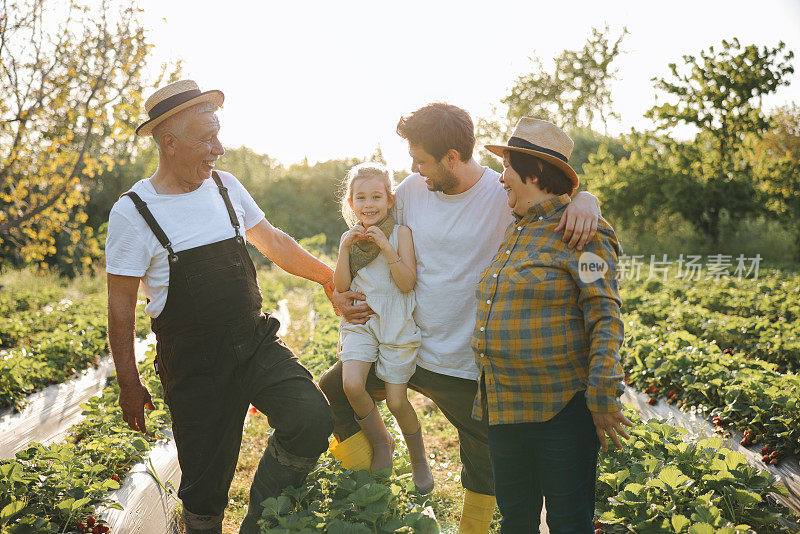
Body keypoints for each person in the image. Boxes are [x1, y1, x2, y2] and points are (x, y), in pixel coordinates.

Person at [320, 103, 603, 533]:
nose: (414, 168)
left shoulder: (502, 194)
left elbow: (554, 203)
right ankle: (374, 487)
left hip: (465, 363)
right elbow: (365, 227)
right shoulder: (413, 191)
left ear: (452, 157)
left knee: (483, 463)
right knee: (332, 393)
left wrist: (586, 199)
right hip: (404, 341)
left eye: (422, 159)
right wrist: (341, 297)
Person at [105, 79, 335, 534]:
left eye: (218, 134)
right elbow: (120, 311)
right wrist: (129, 384)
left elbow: (275, 244)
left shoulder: (225, 187)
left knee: (310, 416)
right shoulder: (133, 212)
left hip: (254, 340)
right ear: (168, 143)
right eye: (206, 138)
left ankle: (259, 521)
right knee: (206, 488)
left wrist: (329, 279)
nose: (220, 148)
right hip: (195, 364)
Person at [475, 117, 631, 533]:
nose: (501, 177)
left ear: (533, 171)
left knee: (567, 522)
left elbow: (605, 316)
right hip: (504, 407)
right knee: (516, 521)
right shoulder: (517, 231)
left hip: (561, 409)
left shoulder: (585, 233)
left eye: (506, 166)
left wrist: (601, 394)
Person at [333, 162, 433, 494]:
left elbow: (406, 284)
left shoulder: (399, 233)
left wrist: (387, 246)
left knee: (397, 401)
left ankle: (418, 458)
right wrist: (345, 248)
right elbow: (342, 286)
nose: (369, 204)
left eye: (376, 197)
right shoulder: (349, 240)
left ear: (390, 201)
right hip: (362, 322)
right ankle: (381, 443)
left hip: (395, 321)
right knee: (351, 385)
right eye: (360, 198)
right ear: (351, 204)